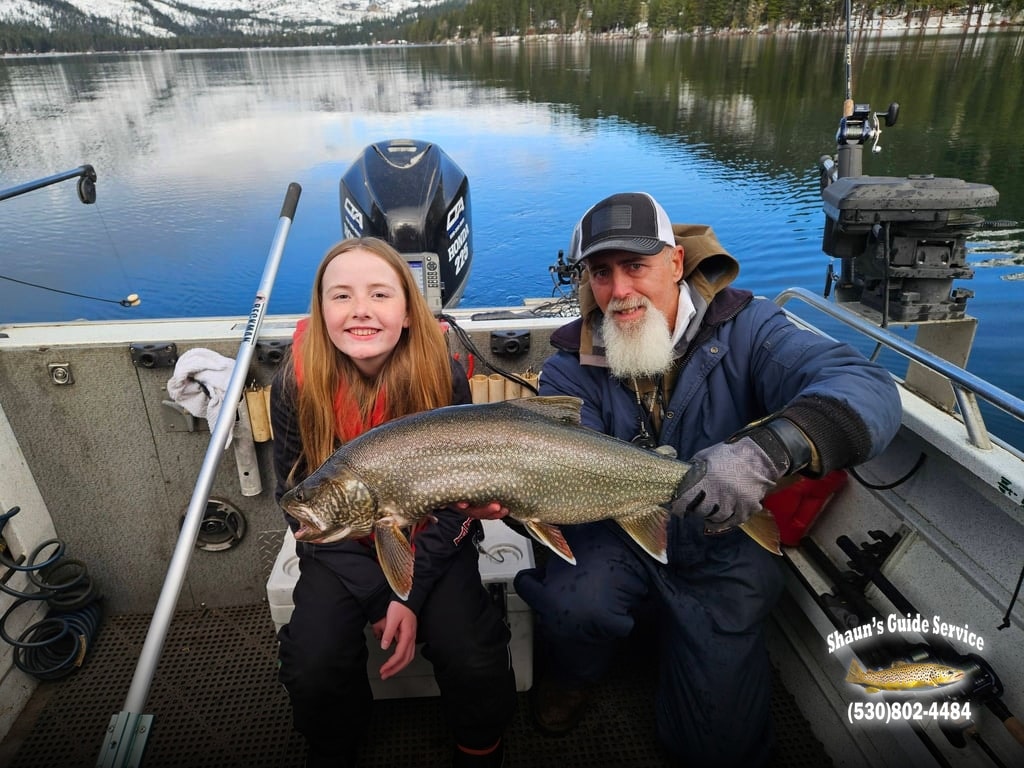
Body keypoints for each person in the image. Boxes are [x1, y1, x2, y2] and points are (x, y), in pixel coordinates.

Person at [481, 192, 902, 766]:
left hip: (720, 541)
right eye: (601, 273)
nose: (620, 290)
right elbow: (569, 462)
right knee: (576, 604)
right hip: (617, 531)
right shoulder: (568, 363)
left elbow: (866, 386)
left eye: (636, 266)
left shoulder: (752, 329)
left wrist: (770, 450)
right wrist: (510, 486)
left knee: (719, 749)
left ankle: (695, 655)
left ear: (676, 263)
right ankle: (576, 670)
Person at [270, 237, 517, 768]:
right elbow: (294, 503)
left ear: (407, 312)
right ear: (321, 311)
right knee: (312, 662)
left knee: (473, 654)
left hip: (431, 539)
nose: (360, 310)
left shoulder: (443, 373)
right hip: (338, 550)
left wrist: (411, 591)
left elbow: (457, 500)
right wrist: (381, 597)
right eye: (341, 297)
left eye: (380, 294)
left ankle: (480, 748)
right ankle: (334, 747)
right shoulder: (293, 383)